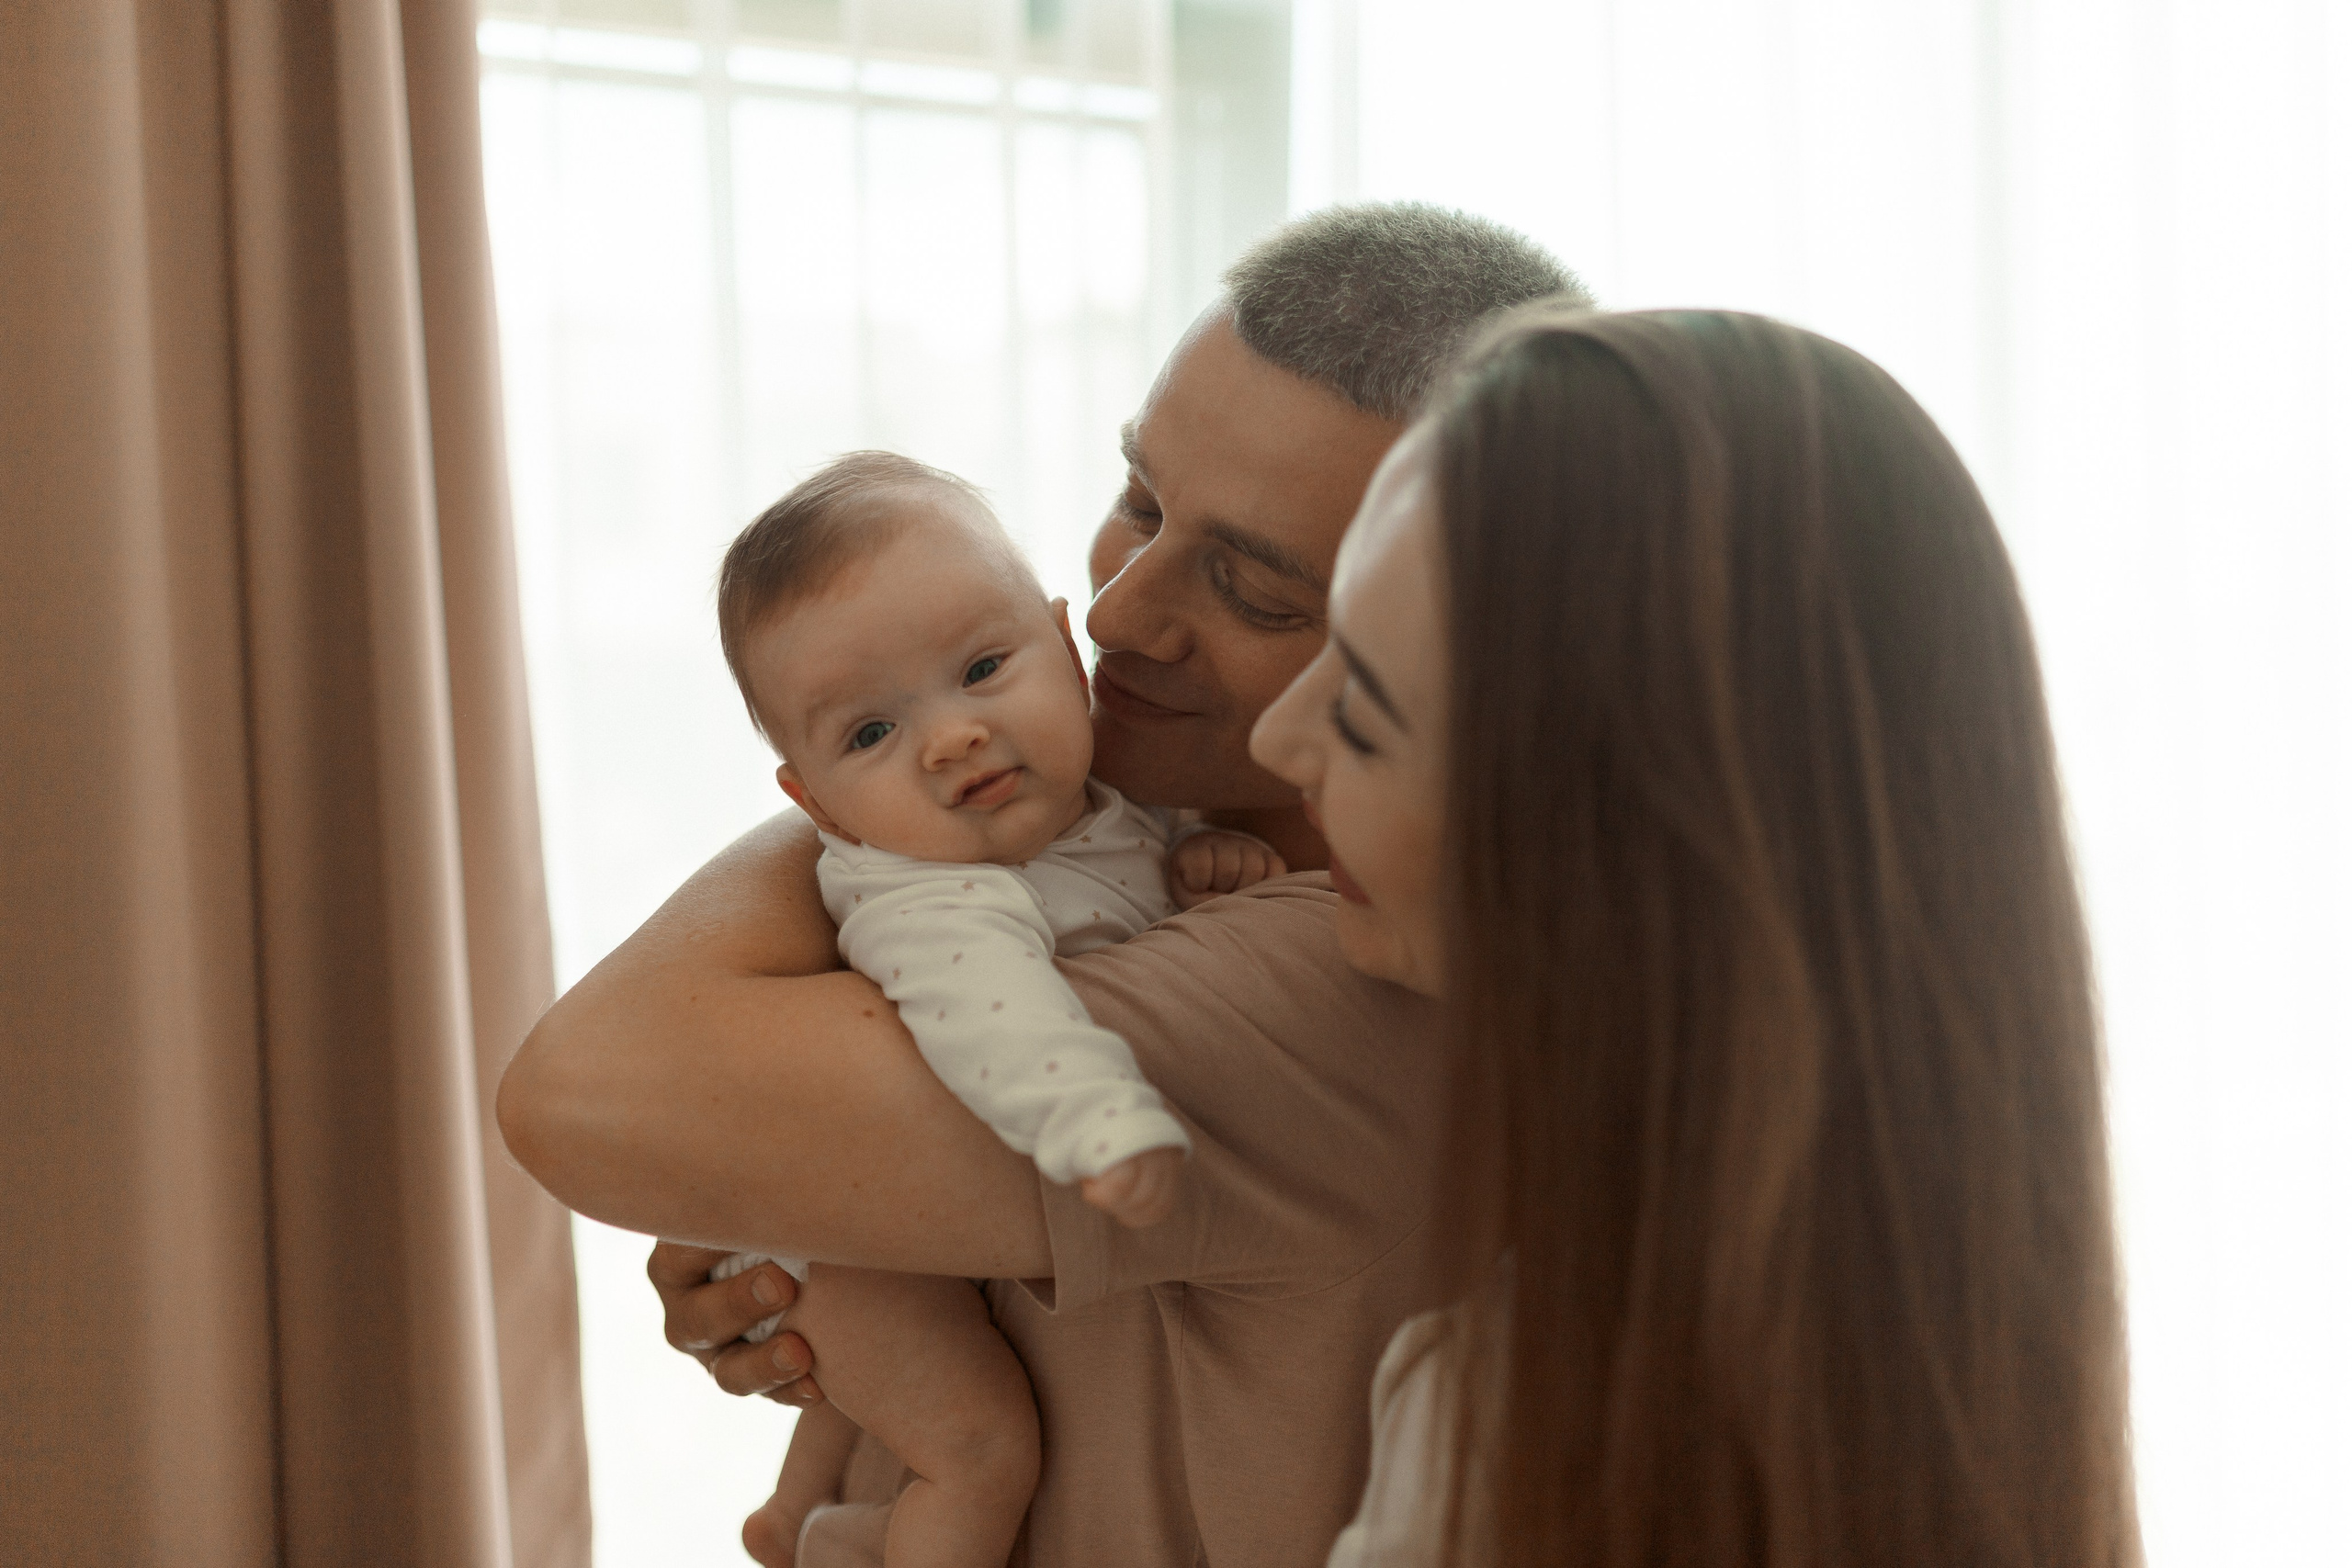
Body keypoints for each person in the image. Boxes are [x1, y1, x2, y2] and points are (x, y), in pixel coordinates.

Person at [495, 203, 1591, 1567]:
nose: (1120, 611)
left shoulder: (1359, 981)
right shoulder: (1138, 843)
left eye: (1250, 587)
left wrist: (874, 760)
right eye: (1139, 497)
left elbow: (585, 1090)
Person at [1247, 304, 2143, 1565]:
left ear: (1604, 854)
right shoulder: (1967, 1362)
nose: (1276, 740)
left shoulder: (1515, 1434)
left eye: (1367, 713)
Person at [693, 449, 1284, 1564]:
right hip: (835, 1249)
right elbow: (997, 1016)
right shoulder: (926, 899)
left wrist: (1195, 858)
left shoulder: (1102, 809)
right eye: (869, 734)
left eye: (980, 668)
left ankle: (792, 1510)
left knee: (896, 1381)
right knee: (976, 1447)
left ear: (1067, 652)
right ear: (814, 803)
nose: (951, 736)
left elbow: (1120, 877)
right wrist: (1096, 1125)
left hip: (872, 1214)